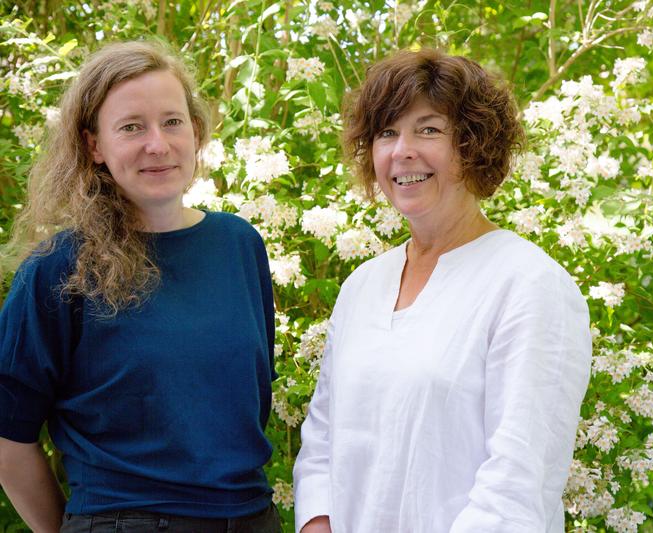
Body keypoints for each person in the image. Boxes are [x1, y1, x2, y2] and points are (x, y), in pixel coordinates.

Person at [293, 49, 592, 532]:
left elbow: (516, 484)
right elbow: (323, 442)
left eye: (428, 129)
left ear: (474, 144)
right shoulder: (363, 286)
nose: (401, 150)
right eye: (387, 133)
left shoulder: (530, 285)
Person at [0, 41, 281, 532]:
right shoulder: (59, 268)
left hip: (253, 518)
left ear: (195, 131)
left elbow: (246, 405)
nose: (158, 144)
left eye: (172, 122)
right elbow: (6, 436)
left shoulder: (239, 245)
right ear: (94, 146)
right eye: (131, 127)